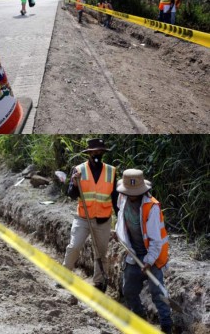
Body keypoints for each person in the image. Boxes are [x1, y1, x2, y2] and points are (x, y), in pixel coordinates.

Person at [115, 169, 172, 334]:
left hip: (152, 254)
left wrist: (149, 260)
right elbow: (121, 221)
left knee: (158, 295)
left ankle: (166, 327)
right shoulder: (122, 198)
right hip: (133, 254)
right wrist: (118, 234)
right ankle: (141, 321)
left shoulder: (151, 207)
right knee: (129, 290)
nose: (131, 195)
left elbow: (156, 240)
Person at [62, 138, 118, 292]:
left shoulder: (111, 171)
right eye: (94, 152)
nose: (97, 154)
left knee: (101, 253)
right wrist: (74, 183)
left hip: (103, 220)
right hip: (83, 218)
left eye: (99, 151)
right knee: (74, 246)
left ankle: (99, 282)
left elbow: (115, 198)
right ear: (89, 154)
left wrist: (119, 218)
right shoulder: (78, 170)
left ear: (103, 153)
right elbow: (71, 195)